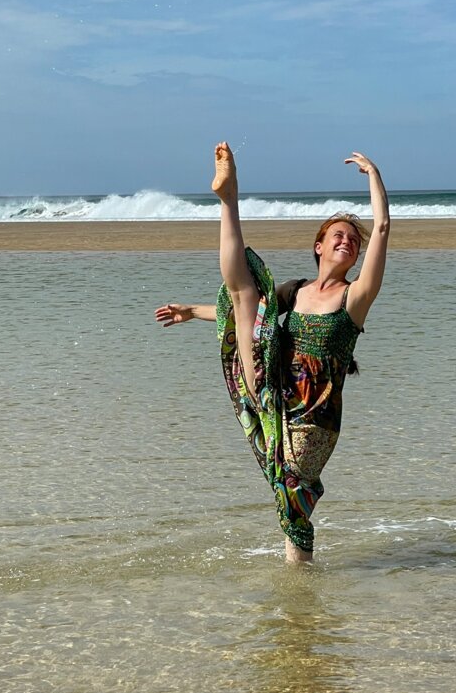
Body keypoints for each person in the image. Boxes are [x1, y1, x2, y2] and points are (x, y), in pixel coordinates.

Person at [155, 142, 389, 562]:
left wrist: (374, 175)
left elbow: (383, 230)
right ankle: (229, 199)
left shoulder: (355, 299)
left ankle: (299, 580)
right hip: (270, 390)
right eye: (338, 235)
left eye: (353, 241)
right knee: (244, 290)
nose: (347, 242)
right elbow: (245, 312)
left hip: (313, 419)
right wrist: (192, 311)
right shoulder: (296, 292)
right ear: (319, 246)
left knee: (291, 491)